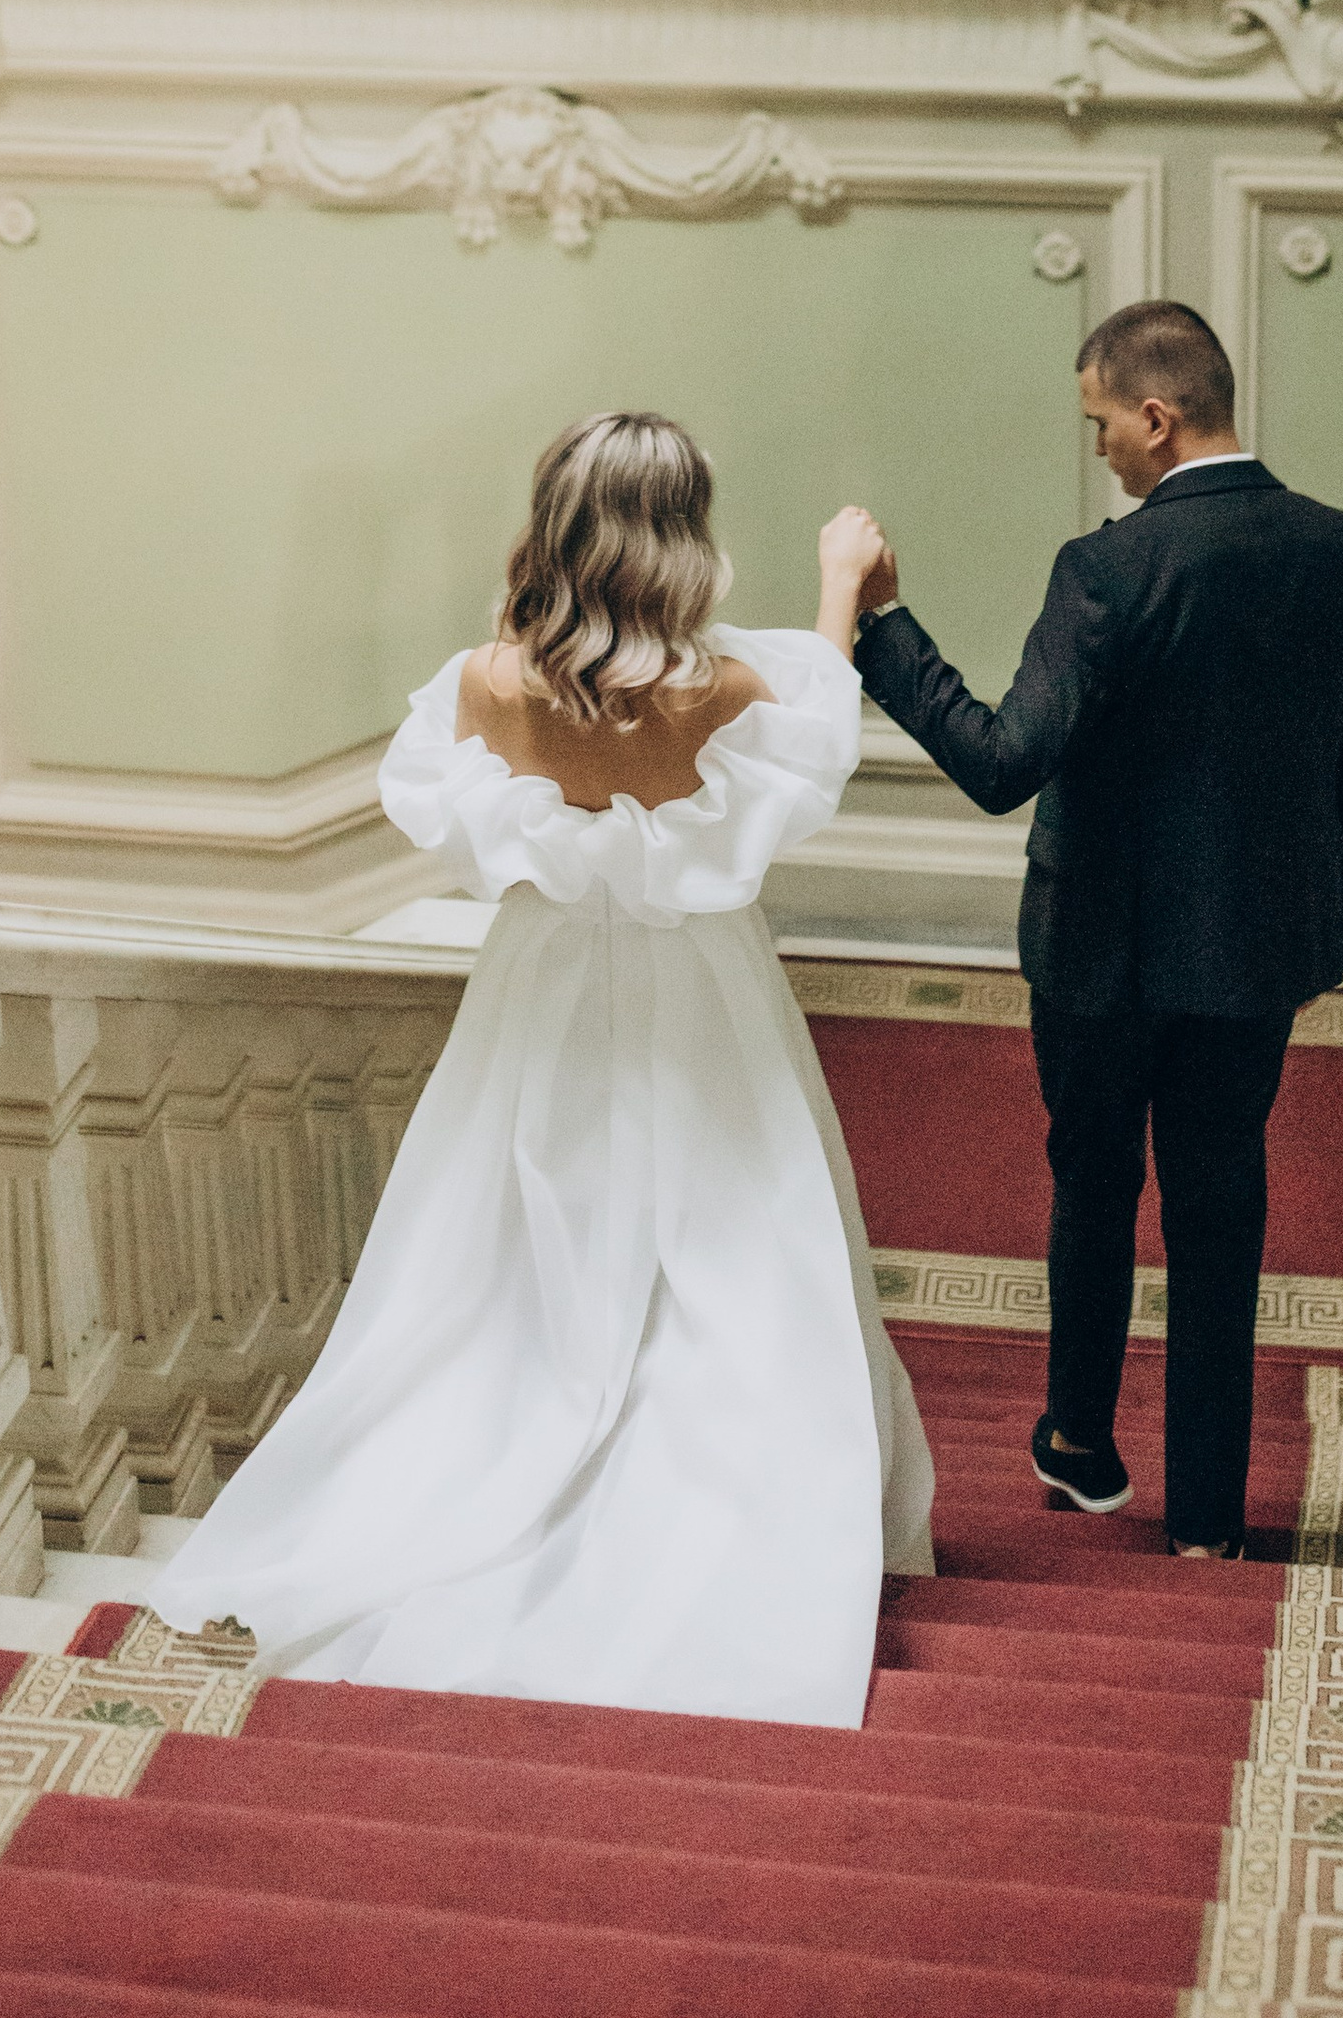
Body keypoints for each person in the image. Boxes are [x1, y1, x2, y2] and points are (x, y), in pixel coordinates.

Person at [151, 411, 934, 1726]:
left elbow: (489, 751)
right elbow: (817, 724)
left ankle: (490, 1463)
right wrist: (845, 584)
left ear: (553, 530)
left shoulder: (483, 685)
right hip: (702, 993)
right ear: (684, 538)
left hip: (548, 989)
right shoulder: (725, 695)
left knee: (503, 1248)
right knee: (735, 1241)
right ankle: (730, 1503)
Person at [836, 296, 1343, 1559]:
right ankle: (1206, 1518)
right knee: (1220, 1209)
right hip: (1254, 957)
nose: (1098, 448)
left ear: (1156, 417)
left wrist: (883, 629)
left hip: (1098, 960)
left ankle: (1081, 1445)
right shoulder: (1342, 547)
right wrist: (1330, 929)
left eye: (1102, 424)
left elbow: (998, 762)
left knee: (1093, 1183)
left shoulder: (1106, 570)